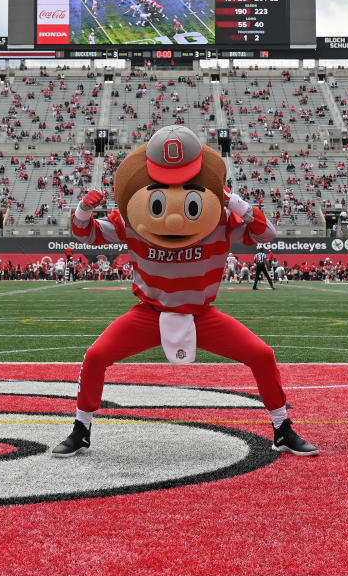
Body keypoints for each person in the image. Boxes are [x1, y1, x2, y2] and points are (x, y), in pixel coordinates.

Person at [52, 125, 317, 458]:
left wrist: (234, 202)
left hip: (200, 314)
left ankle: (282, 428)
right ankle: (81, 429)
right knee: (96, 357)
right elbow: (87, 235)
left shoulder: (218, 218)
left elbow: (267, 235)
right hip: (149, 312)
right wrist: (82, 212)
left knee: (261, 354)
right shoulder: (136, 216)